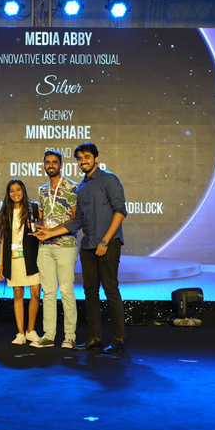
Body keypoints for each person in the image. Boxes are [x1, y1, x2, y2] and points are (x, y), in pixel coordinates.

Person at [35, 143, 127, 353]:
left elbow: (120, 211)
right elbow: (77, 221)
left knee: (111, 290)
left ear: (95, 158)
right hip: (88, 246)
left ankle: (118, 339)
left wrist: (105, 241)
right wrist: (50, 233)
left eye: (86, 157)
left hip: (108, 243)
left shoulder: (109, 179)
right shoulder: (81, 187)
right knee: (90, 292)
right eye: (79, 158)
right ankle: (95, 338)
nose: (83, 161)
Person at [32, 150, 78, 349]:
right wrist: (35, 226)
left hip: (65, 245)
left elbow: (76, 218)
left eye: (54, 162)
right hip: (45, 246)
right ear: (44, 165)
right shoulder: (42, 190)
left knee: (66, 291)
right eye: (48, 162)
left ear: (61, 165)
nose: (51, 165)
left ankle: (70, 337)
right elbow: (43, 218)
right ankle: (48, 336)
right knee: (48, 292)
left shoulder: (72, 187)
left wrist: (53, 231)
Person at [0, 178, 42, 345]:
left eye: (18, 189)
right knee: (18, 294)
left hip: (32, 256)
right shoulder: (6, 212)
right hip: (14, 258)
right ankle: (20, 333)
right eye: (12, 190)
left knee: (35, 293)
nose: (15, 193)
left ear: (23, 191)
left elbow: (44, 226)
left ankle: (31, 331)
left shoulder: (33, 208)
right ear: (9, 194)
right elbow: (3, 240)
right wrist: (0, 264)